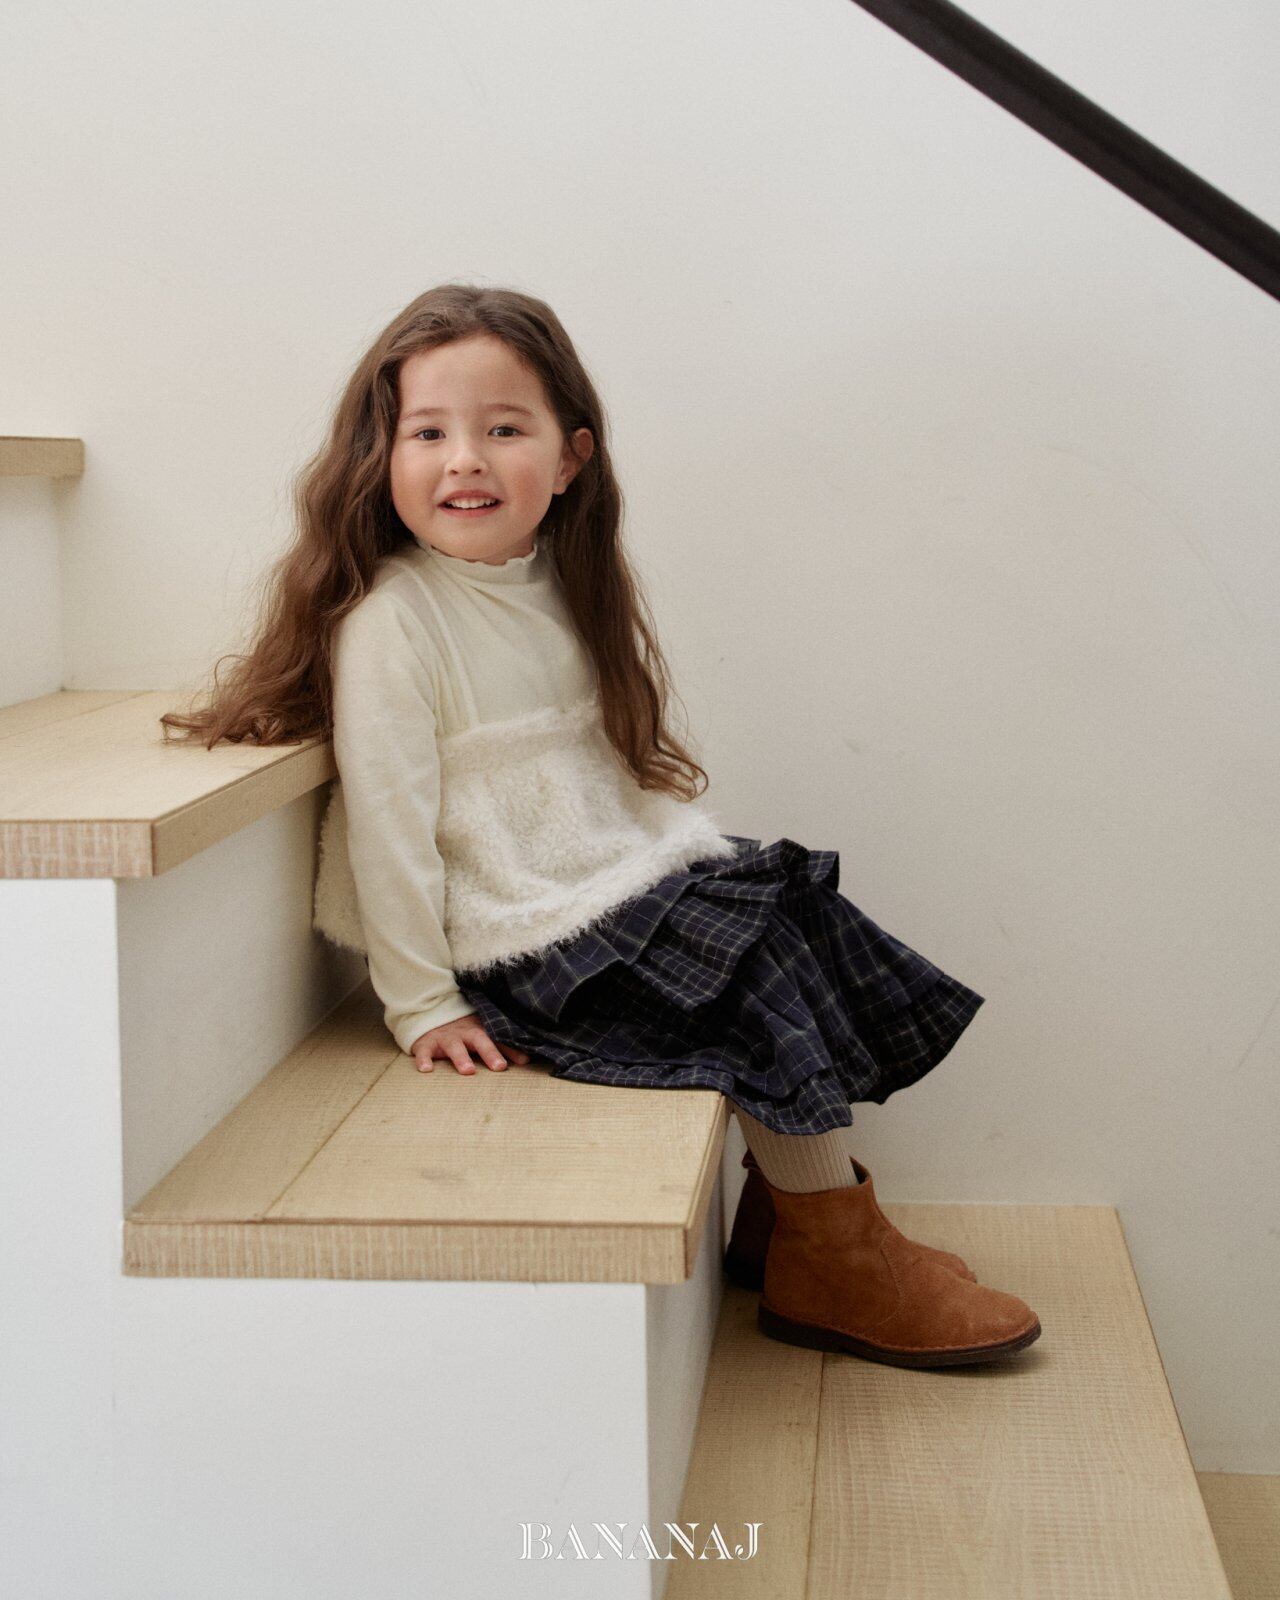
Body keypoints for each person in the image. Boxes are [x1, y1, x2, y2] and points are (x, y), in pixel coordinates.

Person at [161, 283, 1040, 1369]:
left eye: (502, 430)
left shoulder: (558, 583)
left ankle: (793, 1220)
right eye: (427, 433)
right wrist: (421, 1001)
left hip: (582, 885)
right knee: (749, 960)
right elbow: (387, 826)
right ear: (378, 457)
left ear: (570, 458)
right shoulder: (395, 621)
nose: (464, 460)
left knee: (788, 903)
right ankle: (834, 1250)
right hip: (515, 937)